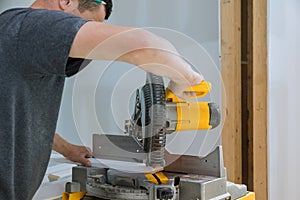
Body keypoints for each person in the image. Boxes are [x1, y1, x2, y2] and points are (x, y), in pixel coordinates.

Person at [0, 0, 204, 199]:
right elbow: (146, 46)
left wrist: (67, 148)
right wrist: (185, 80)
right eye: (87, 26)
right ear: (66, 1)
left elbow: (15, 115)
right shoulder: (31, 26)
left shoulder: (17, 34)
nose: (90, 44)